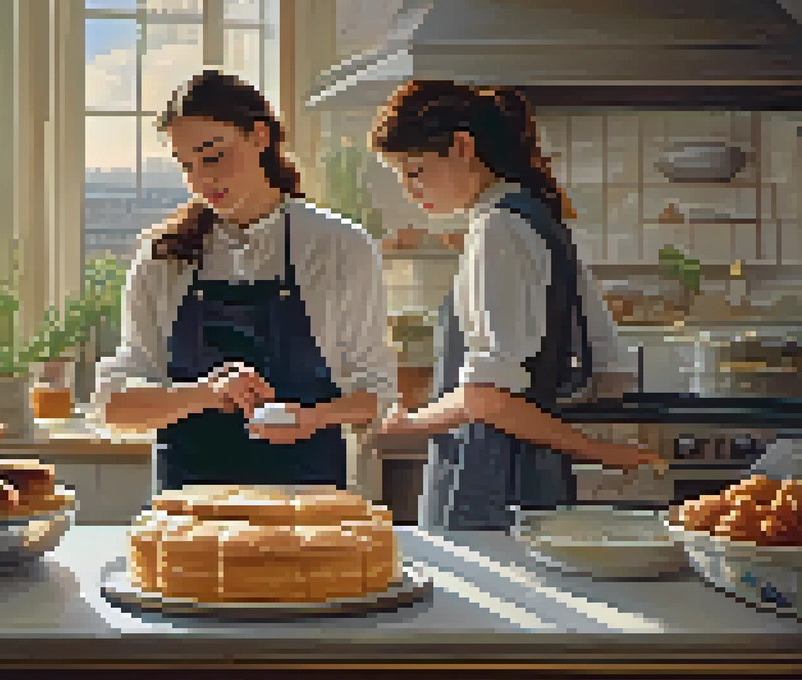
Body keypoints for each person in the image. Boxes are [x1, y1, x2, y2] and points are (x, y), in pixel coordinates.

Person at [371, 80, 665, 531]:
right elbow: (609, 370)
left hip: (490, 479)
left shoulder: (498, 231)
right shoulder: (535, 218)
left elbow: (488, 398)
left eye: (415, 171)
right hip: (533, 475)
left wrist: (409, 422)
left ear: (462, 147)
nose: (410, 190)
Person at [96, 70, 398, 491]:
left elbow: (377, 393)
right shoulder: (162, 258)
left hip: (310, 505)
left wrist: (312, 418)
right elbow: (115, 407)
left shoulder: (340, 246)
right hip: (189, 508)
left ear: (260, 137)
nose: (200, 181)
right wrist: (204, 394)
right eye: (186, 166)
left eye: (213, 157)